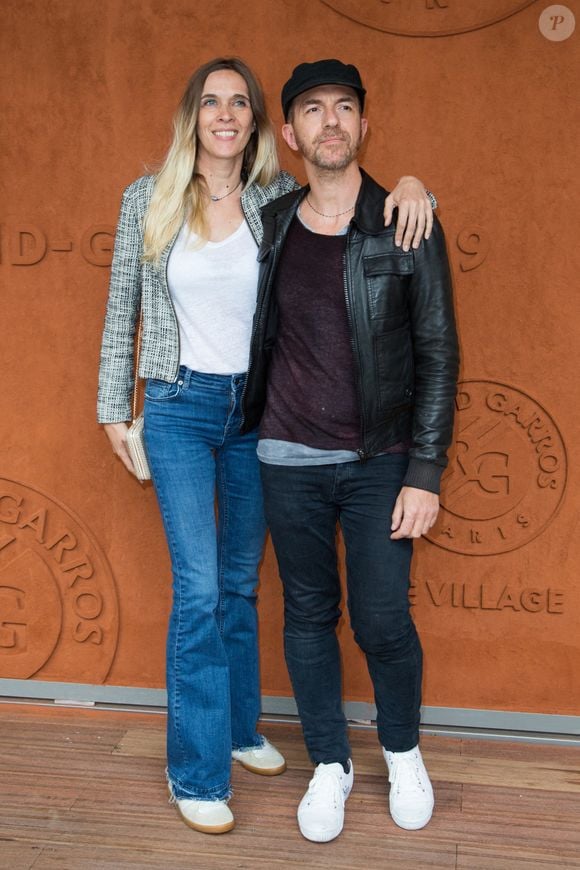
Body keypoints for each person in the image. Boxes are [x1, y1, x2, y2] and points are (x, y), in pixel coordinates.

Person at [97, 56, 436, 835]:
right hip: (179, 406)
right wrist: (115, 407)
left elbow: (354, 195)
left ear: (258, 123)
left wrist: (417, 186)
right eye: (211, 101)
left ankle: (241, 729)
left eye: (239, 103)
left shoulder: (275, 197)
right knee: (200, 589)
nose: (225, 114)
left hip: (258, 411)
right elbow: (122, 305)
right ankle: (195, 772)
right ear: (192, 115)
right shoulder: (147, 198)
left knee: (243, 583)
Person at [242, 59, 459, 843]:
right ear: (290, 132)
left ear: (364, 125)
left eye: (343, 108)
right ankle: (329, 764)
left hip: (380, 462)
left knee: (381, 620)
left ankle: (402, 752)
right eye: (312, 109)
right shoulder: (270, 224)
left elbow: (438, 351)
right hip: (286, 460)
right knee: (307, 617)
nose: (329, 121)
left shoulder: (406, 221)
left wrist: (425, 471)